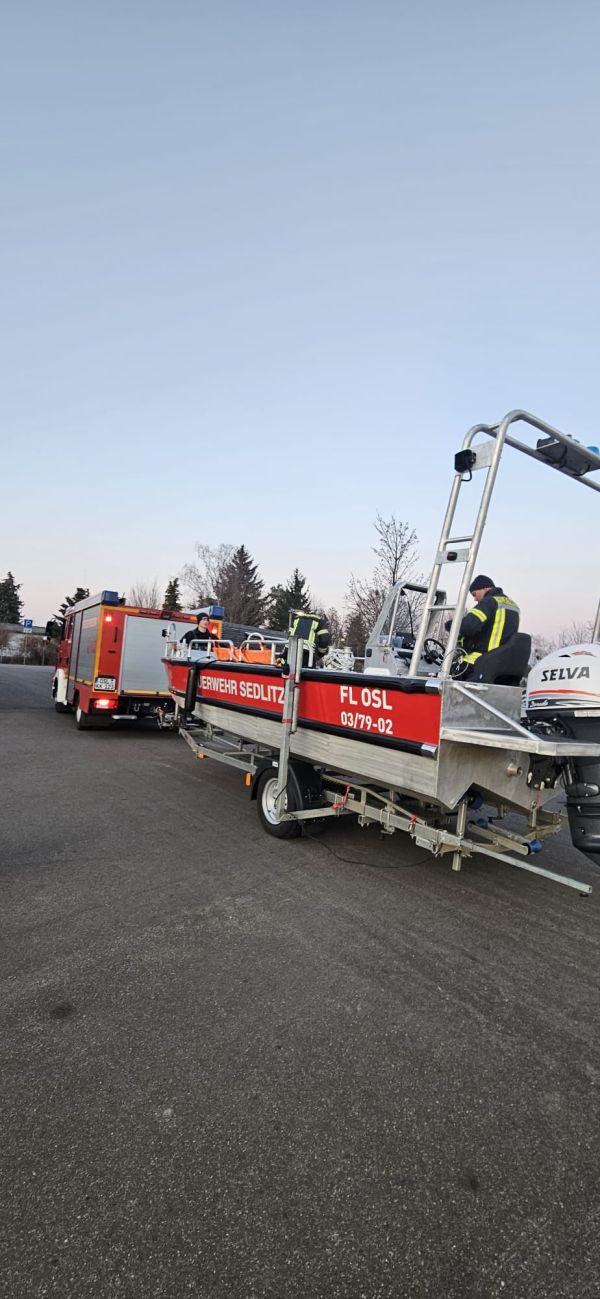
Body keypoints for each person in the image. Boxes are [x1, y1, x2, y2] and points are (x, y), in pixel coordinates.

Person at [450, 575, 520, 675]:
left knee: (448, 672)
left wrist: (451, 624)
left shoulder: (489, 602)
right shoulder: (513, 606)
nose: (475, 599)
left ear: (485, 588)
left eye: (474, 594)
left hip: (483, 660)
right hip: (504, 663)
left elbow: (468, 626)